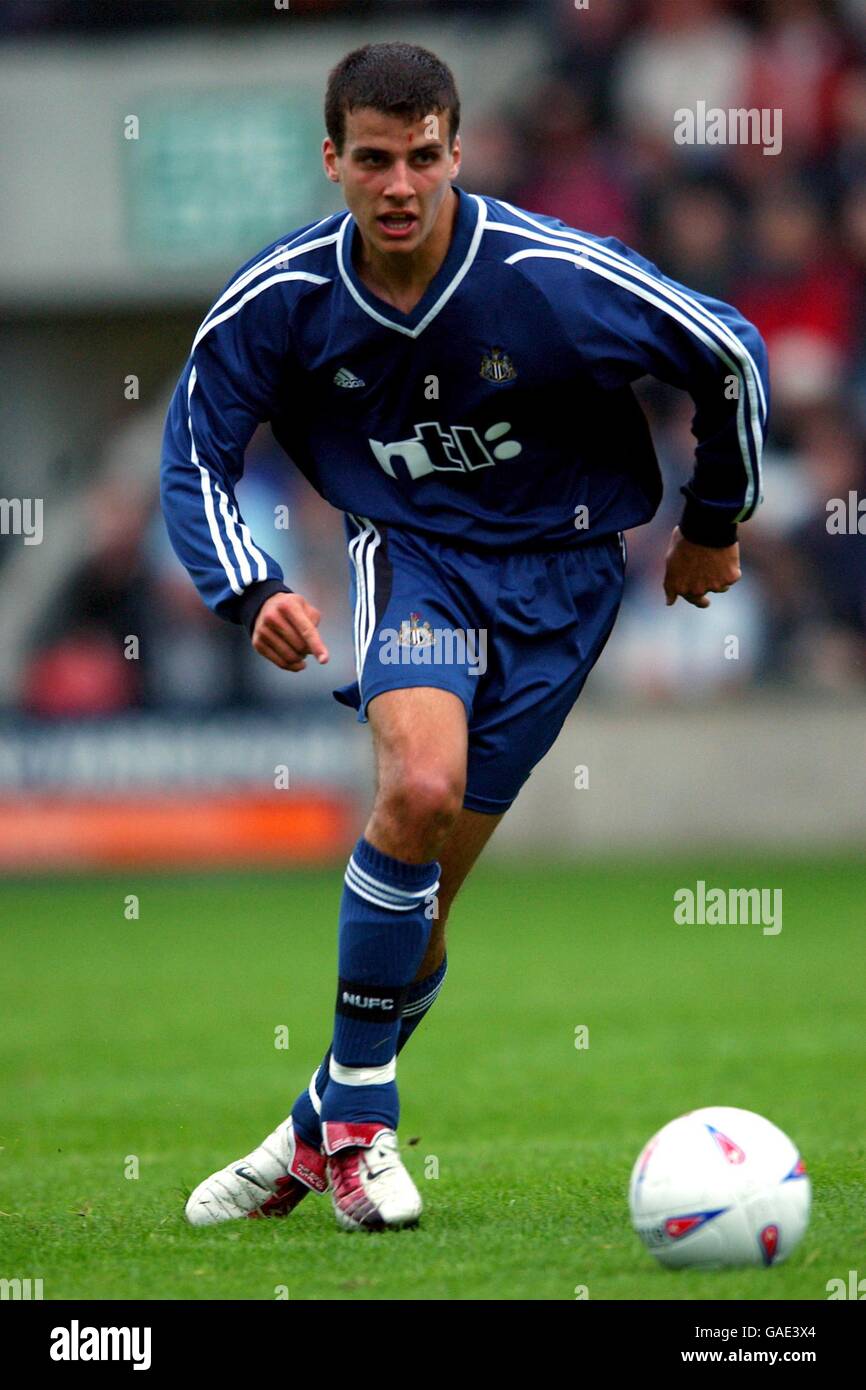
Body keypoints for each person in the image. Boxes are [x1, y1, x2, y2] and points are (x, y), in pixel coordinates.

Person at [161, 42, 767, 1232]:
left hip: (564, 583)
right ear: (330, 159)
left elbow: (727, 353)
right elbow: (193, 446)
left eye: (421, 157)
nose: (398, 184)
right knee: (416, 791)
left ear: (457, 152)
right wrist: (246, 586)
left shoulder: (544, 276)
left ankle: (311, 1130)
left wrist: (708, 521)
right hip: (416, 560)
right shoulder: (281, 297)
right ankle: (368, 1136)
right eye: (372, 159)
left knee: (423, 909)